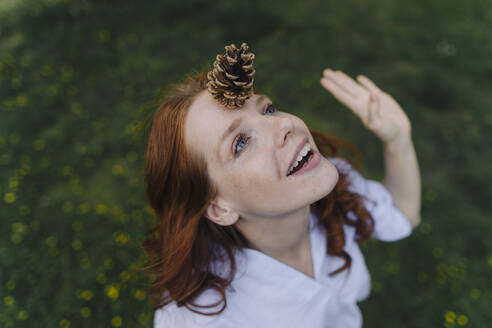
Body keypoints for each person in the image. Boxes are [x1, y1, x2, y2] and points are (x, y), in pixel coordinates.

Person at [142, 43, 421, 327]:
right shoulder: (200, 317)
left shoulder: (337, 192)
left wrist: (398, 141)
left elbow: (402, 213)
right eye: (240, 143)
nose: (284, 124)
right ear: (218, 208)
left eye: (268, 110)